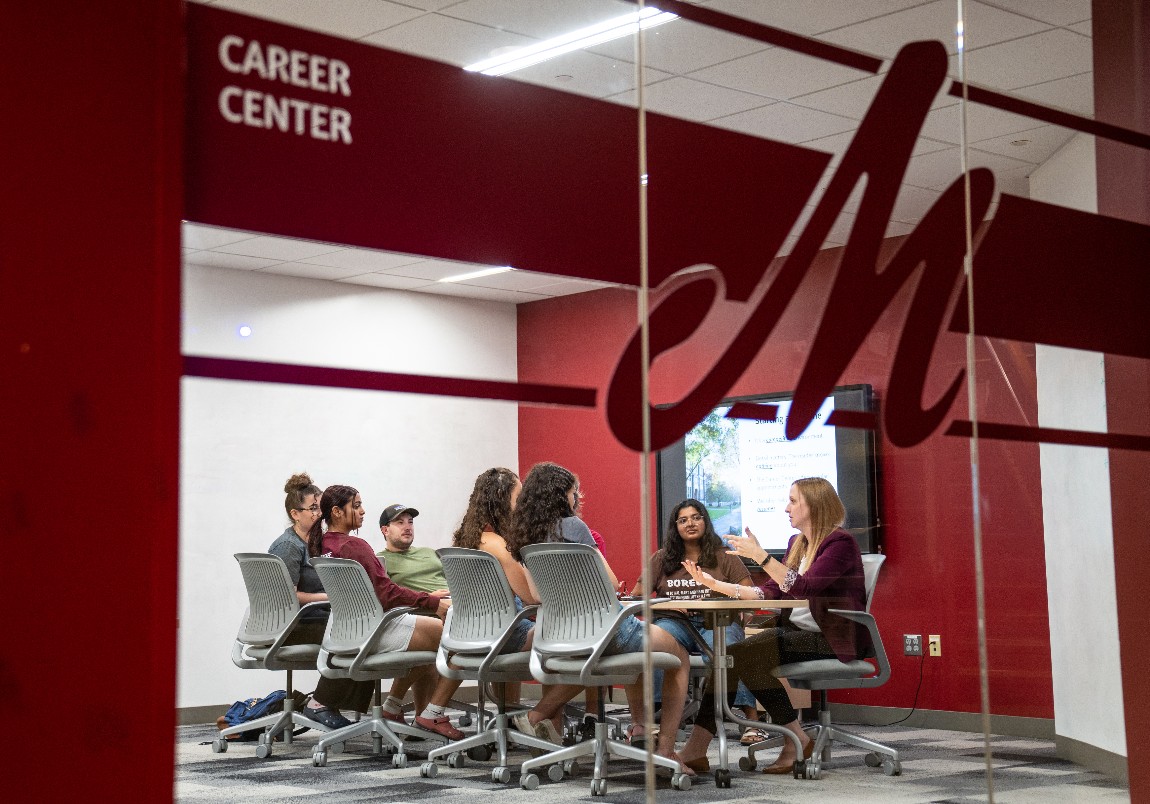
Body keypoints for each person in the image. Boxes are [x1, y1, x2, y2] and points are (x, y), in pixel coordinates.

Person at [504, 462, 696, 776]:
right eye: (571, 492)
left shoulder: (524, 538)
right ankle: (665, 751)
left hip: (559, 633)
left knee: (628, 658)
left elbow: (537, 595)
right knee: (680, 658)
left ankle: (632, 727)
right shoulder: (574, 526)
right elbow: (608, 582)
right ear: (560, 496)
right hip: (607, 629)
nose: (575, 498)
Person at [677, 477, 870, 775]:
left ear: (815, 506)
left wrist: (761, 556)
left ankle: (700, 748)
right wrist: (715, 584)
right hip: (798, 635)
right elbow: (769, 592)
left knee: (735, 656)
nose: (785, 508)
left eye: (793, 501)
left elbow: (803, 587)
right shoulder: (797, 544)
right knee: (736, 658)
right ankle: (792, 739)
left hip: (832, 639)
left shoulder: (839, 543)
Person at [306, 484, 465, 740]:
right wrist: (431, 602)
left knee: (430, 647)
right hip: (379, 629)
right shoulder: (353, 546)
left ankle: (396, 709)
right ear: (336, 512)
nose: (363, 510)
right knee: (460, 636)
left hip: (351, 631)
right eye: (356, 506)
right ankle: (432, 714)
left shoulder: (324, 544)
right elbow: (387, 594)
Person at [638, 499, 764, 746]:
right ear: (676, 527)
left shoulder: (724, 556)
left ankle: (750, 719)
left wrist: (741, 611)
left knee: (731, 648)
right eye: (683, 520)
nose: (690, 523)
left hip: (716, 622)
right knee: (652, 642)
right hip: (675, 623)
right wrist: (666, 605)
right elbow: (637, 596)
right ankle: (651, 721)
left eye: (696, 517)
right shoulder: (662, 558)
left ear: (705, 520)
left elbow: (750, 593)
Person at [267, 473, 374, 729]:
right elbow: (288, 597)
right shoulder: (289, 546)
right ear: (295, 513)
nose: (319, 514)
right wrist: (331, 596)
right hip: (294, 626)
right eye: (313, 508)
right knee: (357, 632)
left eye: (320, 507)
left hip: (319, 618)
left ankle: (329, 702)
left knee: (365, 626)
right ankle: (320, 703)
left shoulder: (315, 542)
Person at [451, 467, 533, 707]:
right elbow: (531, 597)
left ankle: (508, 716)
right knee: (565, 636)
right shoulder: (498, 545)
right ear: (502, 500)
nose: (522, 505)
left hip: (472, 632)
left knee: (519, 620)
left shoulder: (468, 540)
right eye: (519, 498)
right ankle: (539, 717)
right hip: (503, 634)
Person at [376, 504, 450, 595]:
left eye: (410, 522)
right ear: (385, 530)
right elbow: (386, 598)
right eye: (400, 522)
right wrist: (430, 599)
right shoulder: (379, 560)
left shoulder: (429, 551)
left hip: (460, 600)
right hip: (429, 606)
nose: (408, 528)